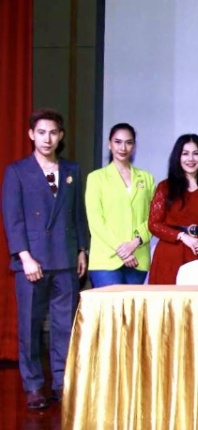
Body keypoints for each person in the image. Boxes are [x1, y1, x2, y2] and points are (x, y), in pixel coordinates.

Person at [1, 109, 88, 409]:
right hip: (32, 261)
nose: (47, 139)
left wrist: (82, 249)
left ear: (60, 136)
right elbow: (13, 219)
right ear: (31, 135)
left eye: (52, 133)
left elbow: (78, 215)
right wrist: (25, 257)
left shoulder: (72, 169)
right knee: (30, 326)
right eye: (41, 133)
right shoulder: (17, 171)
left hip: (65, 258)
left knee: (64, 326)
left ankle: (61, 382)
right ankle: (34, 386)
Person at [148, 134, 198, 284]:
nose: (190, 159)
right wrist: (182, 236)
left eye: (195, 153)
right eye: (185, 153)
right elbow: (154, 224)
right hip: (170, 255)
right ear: (177, 157)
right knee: (169, 298)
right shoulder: (165, 187)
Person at [84, 123, 155, 287]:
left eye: (128, 143)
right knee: (110, 305)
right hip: (106, 259)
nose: (123, 148)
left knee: (133, 305)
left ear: (134, 146)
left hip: (138, 257)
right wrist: (122, 250)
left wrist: (135, 243)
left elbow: (154, 218)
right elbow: (96, 221)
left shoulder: (146, 178)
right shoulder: (96, 178)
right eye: (117, 142)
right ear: (109, 144)